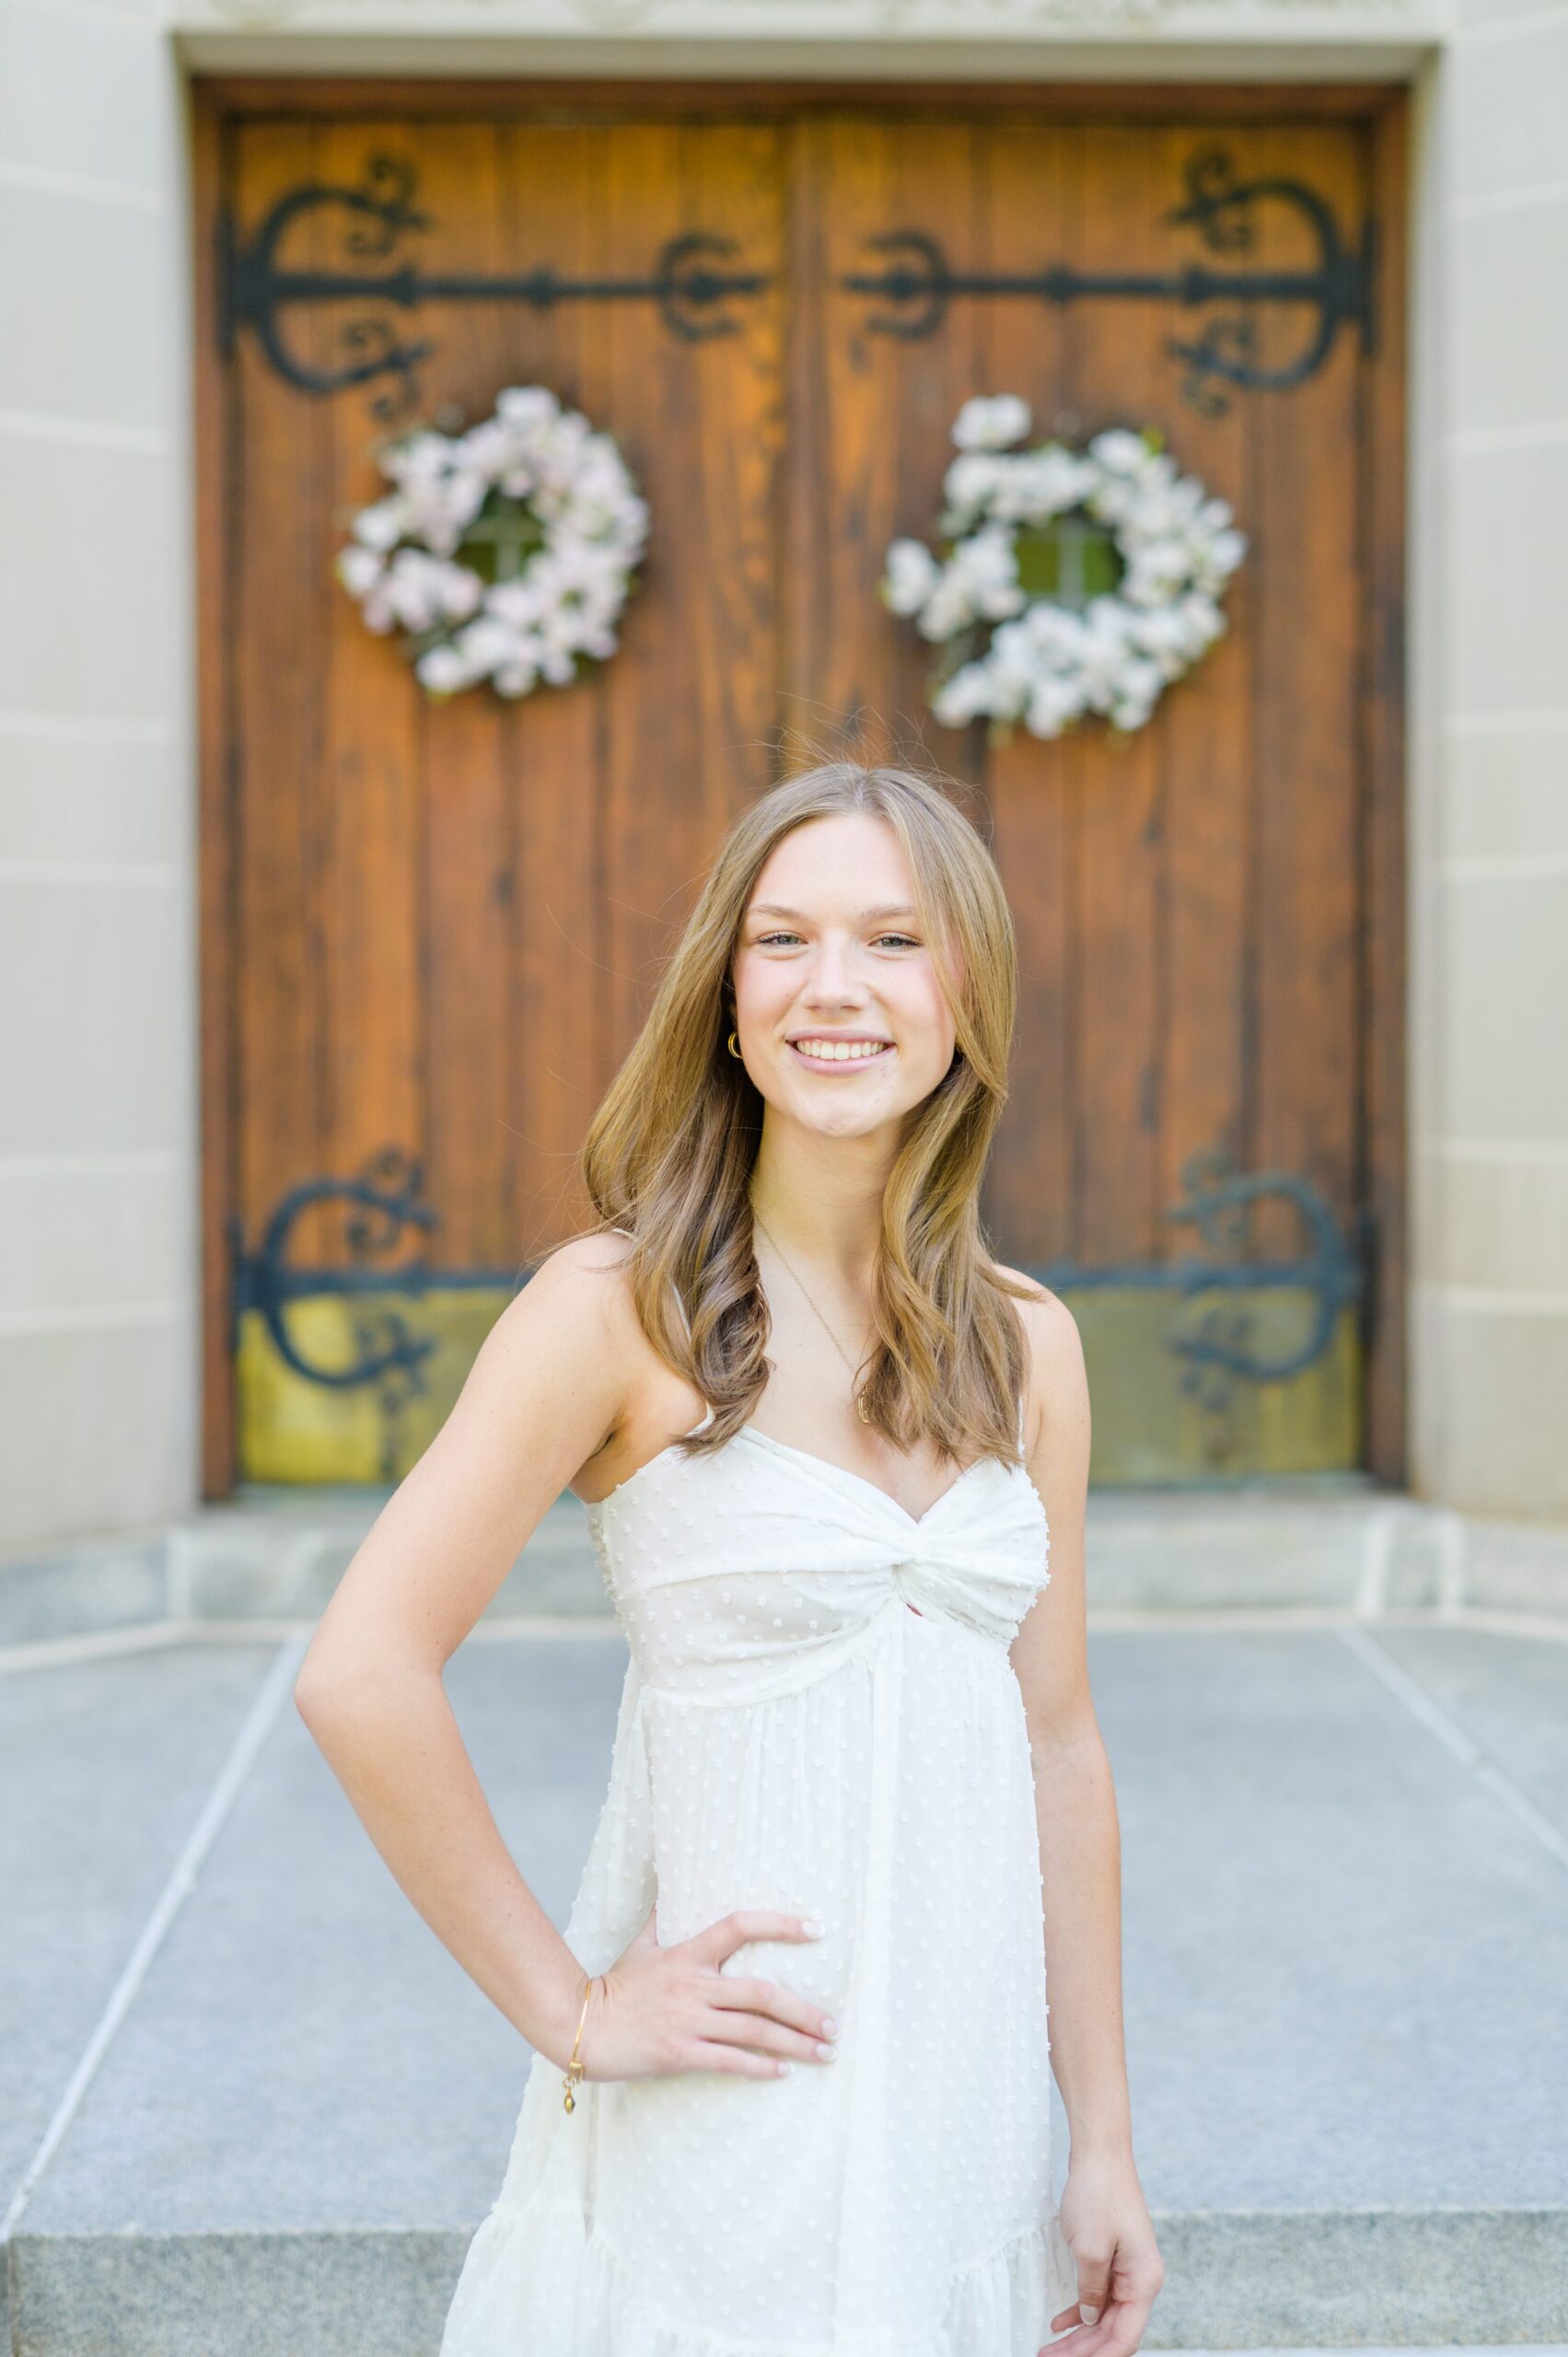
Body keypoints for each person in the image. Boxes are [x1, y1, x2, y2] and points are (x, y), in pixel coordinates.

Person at [295, 759, 1165, 2355]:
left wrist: (1098, 2136)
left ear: (970, 992)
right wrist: (568, 2009)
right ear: (726, 992)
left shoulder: (1031, 1348)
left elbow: (1060, 1744)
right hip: (734, 2096)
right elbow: (362, 1672)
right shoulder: (612, 1311)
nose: (836, 987)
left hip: (964, 2109)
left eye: (895, 942)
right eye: (785, 941)